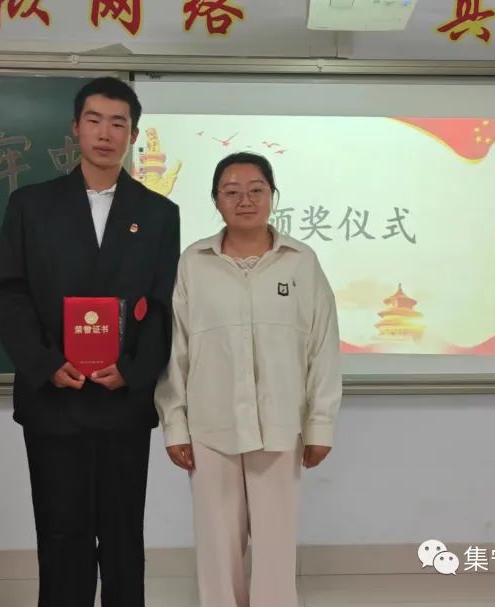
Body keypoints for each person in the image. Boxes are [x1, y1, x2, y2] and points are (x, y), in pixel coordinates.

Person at [0, 77, 180, 607]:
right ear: (75, 128)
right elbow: (8, 293)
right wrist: (45, 362)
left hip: (123, 400)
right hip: (54, 398)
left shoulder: (159, 213)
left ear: (133, 135)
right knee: (60, 534)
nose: (105, 133)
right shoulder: (32, 205)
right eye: (94, 120)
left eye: (119, 123)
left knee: (123, 537)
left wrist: (135, 370)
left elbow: (164, 305)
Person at [154, 152, 342, 607]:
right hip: (210, 428)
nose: (245, 200)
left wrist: (320, 426)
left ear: (272, 196)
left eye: (256, 190)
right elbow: (175, 350)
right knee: (217, 547)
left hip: (280, 426)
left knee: (276, 547)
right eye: (232, 192)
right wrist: (175, 425)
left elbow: (322, 348)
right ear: (215, 200)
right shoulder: (194, 263)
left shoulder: (301, 262)